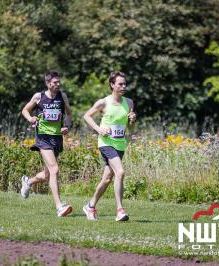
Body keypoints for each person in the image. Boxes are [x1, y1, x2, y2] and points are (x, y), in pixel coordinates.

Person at [82, 71, 136, 221]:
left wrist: (132, 120)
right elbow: (86, 116)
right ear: (112, 85)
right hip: (106, 143)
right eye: (120, 84)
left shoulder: (129, 103)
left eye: (125, 84)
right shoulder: (103, 102)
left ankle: (90, 206)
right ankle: (120, 210)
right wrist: (99, 129)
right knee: (120, 172)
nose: (124, 86)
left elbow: (129, 129)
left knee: (107, 179)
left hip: (120, 144)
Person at [20, 70, 73, 217]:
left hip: (56, 138)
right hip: (43, 138)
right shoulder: (39, 96)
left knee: (48, 174)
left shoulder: (62, 96)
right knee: (55, 170)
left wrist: (66, 126)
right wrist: (30, 118)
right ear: (48, 83)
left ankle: (28, 182)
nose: (58, 84)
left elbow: (69, 114)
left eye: (58, 82)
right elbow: (25, 110)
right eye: (55, 82)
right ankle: (59, 206)